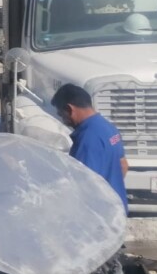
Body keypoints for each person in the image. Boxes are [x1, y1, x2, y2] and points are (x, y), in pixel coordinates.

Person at [51, 84, 129, 213]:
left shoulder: (87, 138)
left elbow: (83, 183)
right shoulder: (108, 127)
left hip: (99, 216)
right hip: (117, 210)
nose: (63, 120)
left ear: (69, 109)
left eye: (61, 114)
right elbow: (123, 165)